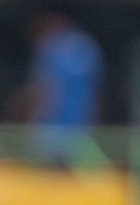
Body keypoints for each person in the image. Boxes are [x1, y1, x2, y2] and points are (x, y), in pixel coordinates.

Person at [20, 9, 103, 165]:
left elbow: (44, 90)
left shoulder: (51, 47)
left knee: (47, 179)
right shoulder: (86, 45)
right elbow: (96, 92)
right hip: (82, 130)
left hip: (52, 130)